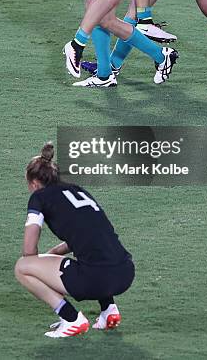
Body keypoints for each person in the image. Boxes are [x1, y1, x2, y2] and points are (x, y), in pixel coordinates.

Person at [14, 143, 135, 338]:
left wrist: (42, 268)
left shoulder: (39, 197)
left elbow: (29, 252)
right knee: (92, 258)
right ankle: (108, 309)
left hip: (97, 280)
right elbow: (90, 232)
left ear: (34, 184)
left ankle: (71, 318)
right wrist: (54, 254)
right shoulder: (77, 190)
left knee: (22, 267)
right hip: (125, 272)